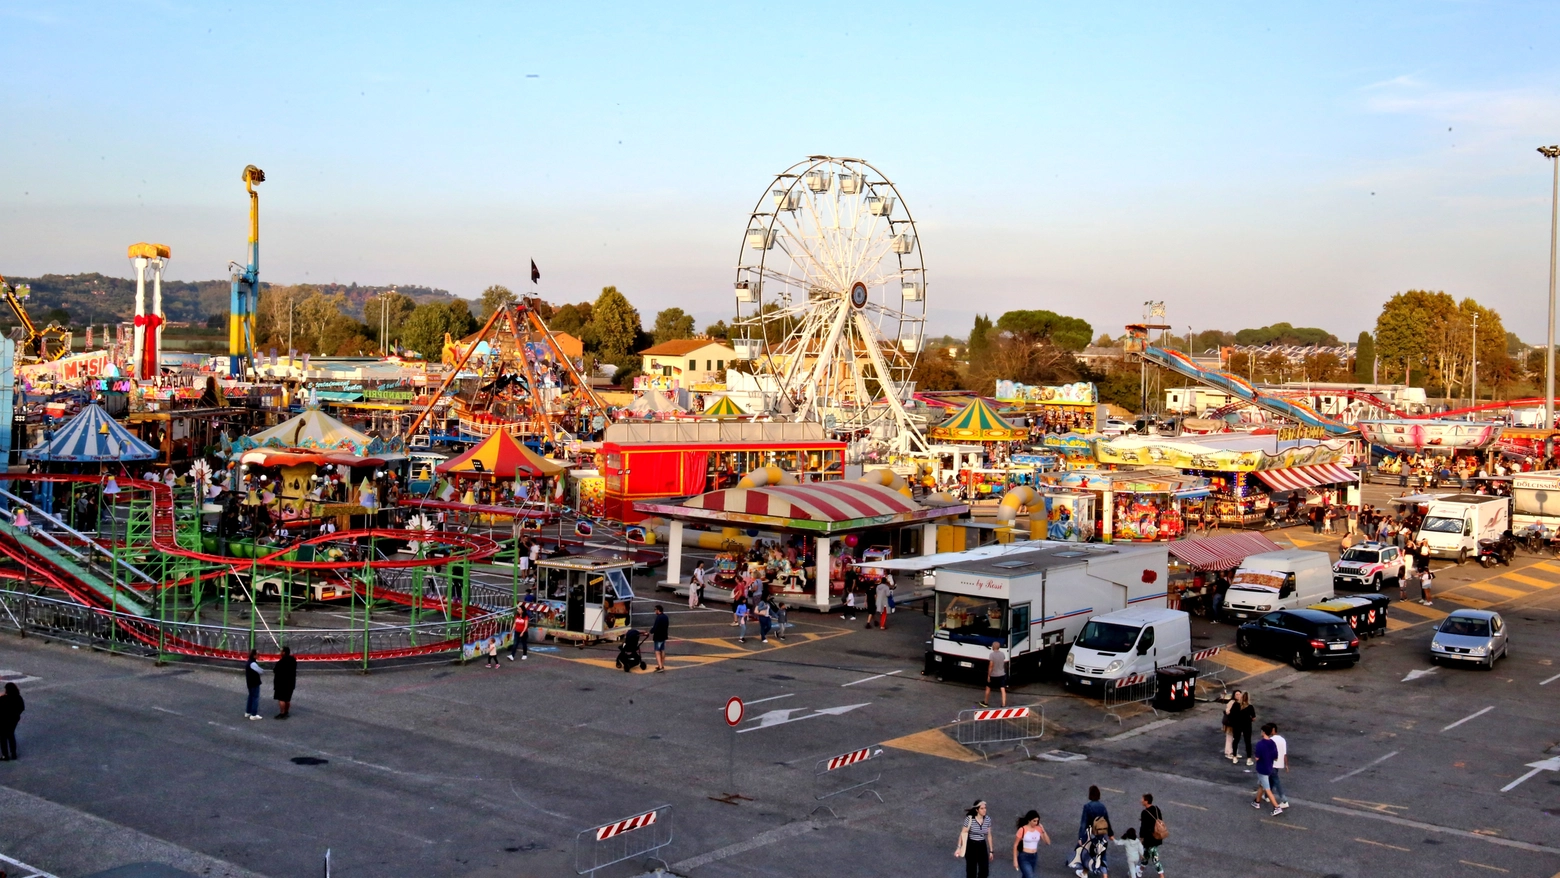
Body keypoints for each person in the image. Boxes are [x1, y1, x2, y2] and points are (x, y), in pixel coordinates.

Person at [954, 800, 994, 878]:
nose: (984, 810)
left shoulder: (987, 819)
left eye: (985, 808)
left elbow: (989, 835)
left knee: (984, 870)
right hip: (971, 845)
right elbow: (963, 833)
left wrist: (991, 851)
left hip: (982, 845)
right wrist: (959, 847)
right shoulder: (970, 819)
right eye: (982, 808)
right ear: (977, 810)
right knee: (971, 870)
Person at [1253, 725, 1285, 815]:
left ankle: (1276, 807)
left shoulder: (1260, 744)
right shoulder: (1272, 743)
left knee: (1267, 789)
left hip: (1261, 768)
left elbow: (1257, 758)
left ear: (1263, 732)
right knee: (1261, 785)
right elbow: (1275, 757)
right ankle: (1257, 802)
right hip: (1269, 767)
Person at [1011, 809, 1051, 878]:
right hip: (1024, 857)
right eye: (1034, 821)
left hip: (1034, 857)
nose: (1036, 823)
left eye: (1037, 821)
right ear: (1029, 820)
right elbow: (1015, 845)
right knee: (1030, 876)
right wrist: (1015, 860)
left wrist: (1043, 830)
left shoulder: (1038, 829)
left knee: (1026, 876)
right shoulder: (1022, 830)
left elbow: (1048, 842)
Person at [1138, 794, 1165, 877]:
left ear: (1146, 801)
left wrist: (1141, 838)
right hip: (1157, 835)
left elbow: (1143, 827)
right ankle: (1140, 870)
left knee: (1155, 858)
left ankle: (1161, 875)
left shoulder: (1145, 812)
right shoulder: (1157, 809)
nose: (1141, 800)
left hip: (1149, 839)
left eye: (1142, 799)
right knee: (1146, 854)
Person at [1265, 723, 1290, 809]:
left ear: (1273, 730)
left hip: (1271, 763)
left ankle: (1284, 800)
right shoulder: (1282, 740)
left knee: (1275, 781)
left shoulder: (1270, 740)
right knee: (1271, 779)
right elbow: (1284, 754)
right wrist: (1286, 765)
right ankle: (1266, 795)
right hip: (1279, 763)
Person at [1228, 691, 1255, 765]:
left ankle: (1234, 757)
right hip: (1247, 725)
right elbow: (1253, 717)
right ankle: (1249, 759)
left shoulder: (1236, 705)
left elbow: (1231, 714)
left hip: (1237, 725)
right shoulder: (1250, 706)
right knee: (1248, 741)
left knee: (1236, 740)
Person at [0, 682, 24, 761]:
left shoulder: (4, 699)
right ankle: (13, 754)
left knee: (3, 737)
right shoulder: (18, 697)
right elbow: (22, 707)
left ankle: (5, 755)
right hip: (14, 719)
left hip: (4, 720)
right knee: (11, 735)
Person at [272, 646, 297, 719]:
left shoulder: (281, 662)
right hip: (291, 683)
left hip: (281, 683)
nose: (280, 653)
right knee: (287, 699)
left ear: (284, 652)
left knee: (281, 699)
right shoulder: (293, 660)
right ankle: (286, 712)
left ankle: (282, 713)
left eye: (281, 651)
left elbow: (275, 671)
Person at [982, 643, 1009, 708]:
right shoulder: (1002, 654)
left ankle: (985, 702)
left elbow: (991, 665)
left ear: (993, 647)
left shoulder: (992, 655)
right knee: (1002, 689)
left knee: (988, 688)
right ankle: (1003, 704)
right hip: (1002, 674)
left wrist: (989, 675)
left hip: (994, 675)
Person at [243, 651, 264, 720]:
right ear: (254, 656)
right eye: (258, 654)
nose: (259, 656)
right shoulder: (253, 663)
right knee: (255, 698)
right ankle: (253, 714)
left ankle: (248, 712)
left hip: (249, 683)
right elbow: (260, 671)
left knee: (250, 697)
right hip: (254, 683)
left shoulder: (249, 662)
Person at [650, 604, 669, 671]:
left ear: (658, 610)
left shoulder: (658, 618)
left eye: (655, 610)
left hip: (658, 636)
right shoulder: (665, 617)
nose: (655, 611)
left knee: (657, 651)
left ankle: (660, 666)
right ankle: (662, 665)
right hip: (664, 636)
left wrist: (651, 631)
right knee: (662, 650)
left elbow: (655, 627)